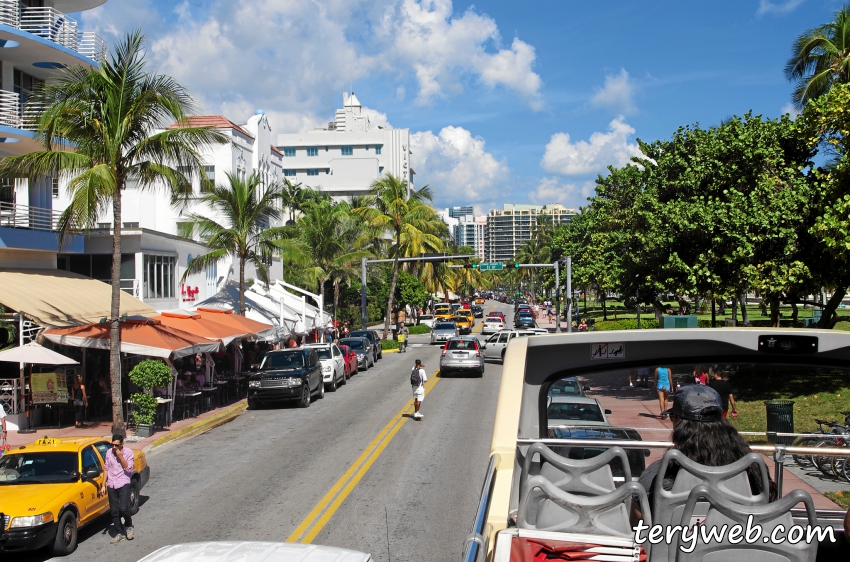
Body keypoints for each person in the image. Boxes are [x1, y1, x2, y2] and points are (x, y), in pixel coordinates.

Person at [638, 385, 775, 508]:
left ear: (680, 423)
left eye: (673, 417)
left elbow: (638, 522)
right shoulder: (753, 468)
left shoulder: (659, 473)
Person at [101, 434, 135, 543]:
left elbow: (128, 468)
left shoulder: (128, 453)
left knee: (123, 508)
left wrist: (121, 457)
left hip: (123, 482)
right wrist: (103, 485)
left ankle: (129, 525)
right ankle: (119, 532)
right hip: (111, 483)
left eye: (116, 445)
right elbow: (106, 468)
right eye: (112, 445)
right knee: (114, 510)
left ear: (121, 445)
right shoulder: (108, 453)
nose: (114, 447)